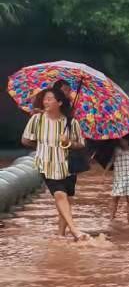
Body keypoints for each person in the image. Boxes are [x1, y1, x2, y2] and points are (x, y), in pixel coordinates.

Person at [21, 86, 89, 242]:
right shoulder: (37, 119)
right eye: (45, 99)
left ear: (59, 102)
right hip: (47, 164)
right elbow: (25, 139)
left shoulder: (71, 123)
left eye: (49, 99)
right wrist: (41, 145)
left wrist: (68, 142)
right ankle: (75, 232)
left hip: (68, 166)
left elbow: (81, 144)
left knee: (66, 200)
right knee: (60, 195)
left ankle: (60, 235)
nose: (46, 101)